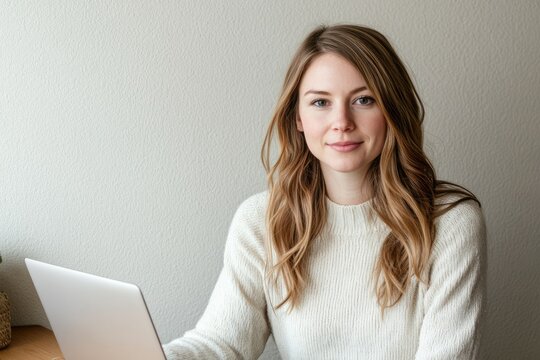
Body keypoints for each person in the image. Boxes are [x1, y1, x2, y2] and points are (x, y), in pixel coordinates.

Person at [163, 24, 486, 359]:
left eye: (364, 100)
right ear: (298, 117)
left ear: (391, 109)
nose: (342, 121)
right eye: (320, 102)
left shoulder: (449, 221)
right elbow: (221, 344)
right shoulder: (261, 220)